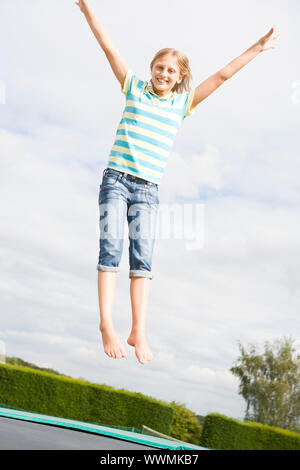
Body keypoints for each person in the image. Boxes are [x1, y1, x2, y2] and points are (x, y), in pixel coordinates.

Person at [75, 0, 280, 364]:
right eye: (159, 67)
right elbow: (107, 45)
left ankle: (139, 329)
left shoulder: (182, 105)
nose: (164, 74)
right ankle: (106, 323)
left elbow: (222, 75)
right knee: (110, 250)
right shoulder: (133, 87)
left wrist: (257, 49)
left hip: (148, 190)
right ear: (151, 68)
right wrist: (87, 8)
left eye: (171, 70)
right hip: (116, 182)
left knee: (143, 260)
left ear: (180, 76)